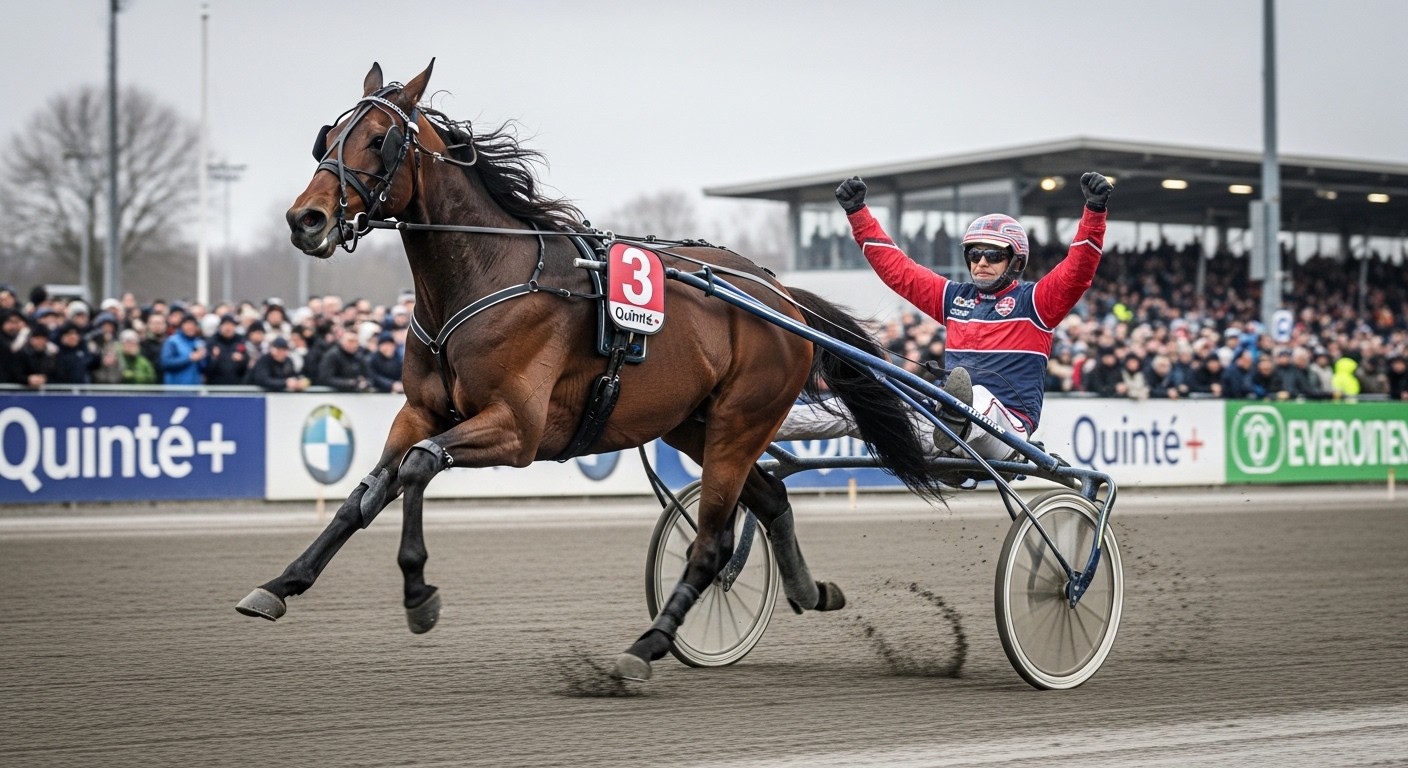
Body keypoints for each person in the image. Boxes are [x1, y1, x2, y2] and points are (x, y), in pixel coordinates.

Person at [781, 171, 1111, 460]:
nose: (981, 262)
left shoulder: (1037, 301)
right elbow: (900, 271)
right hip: (941, 421)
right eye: (974, 253)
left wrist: (1094, 212)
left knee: (975, 396)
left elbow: (1077, 272)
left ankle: (954, 419)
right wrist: (858, 213)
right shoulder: (955, 299)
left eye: (993, 254)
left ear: (1016, 262)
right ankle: (751, 425)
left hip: (1006, 430)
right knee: (856, 406)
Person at [317, 327, 373, 392]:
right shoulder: (332, 355)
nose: (354, 344)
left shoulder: (359, 356)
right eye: (350, 341)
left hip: (356, 395)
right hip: (335, 394)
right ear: (342, 341)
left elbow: (369, 376)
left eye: (356, 341)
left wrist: (365, 383)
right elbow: (325, 378)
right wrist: (349, 383)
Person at [161, 314, 208, 385]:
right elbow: (166, 363)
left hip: (195, 389)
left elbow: (203, 368)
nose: (190, 327)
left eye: (193, 324)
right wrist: (189, 358)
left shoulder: (199, 342)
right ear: (181, 326)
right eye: (187, 324)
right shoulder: (172, 341)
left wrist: (203, 357)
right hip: (176, 388)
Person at [205, 314, 251, 385]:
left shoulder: (241, 340)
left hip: (237, 384)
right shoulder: (212, 341)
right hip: (215, 385)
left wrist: (242, 360)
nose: (228, 328)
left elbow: (246, 362)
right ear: (220, 326)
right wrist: (214, 358)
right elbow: (206, 366)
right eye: (226, 325)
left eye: (231, 325)